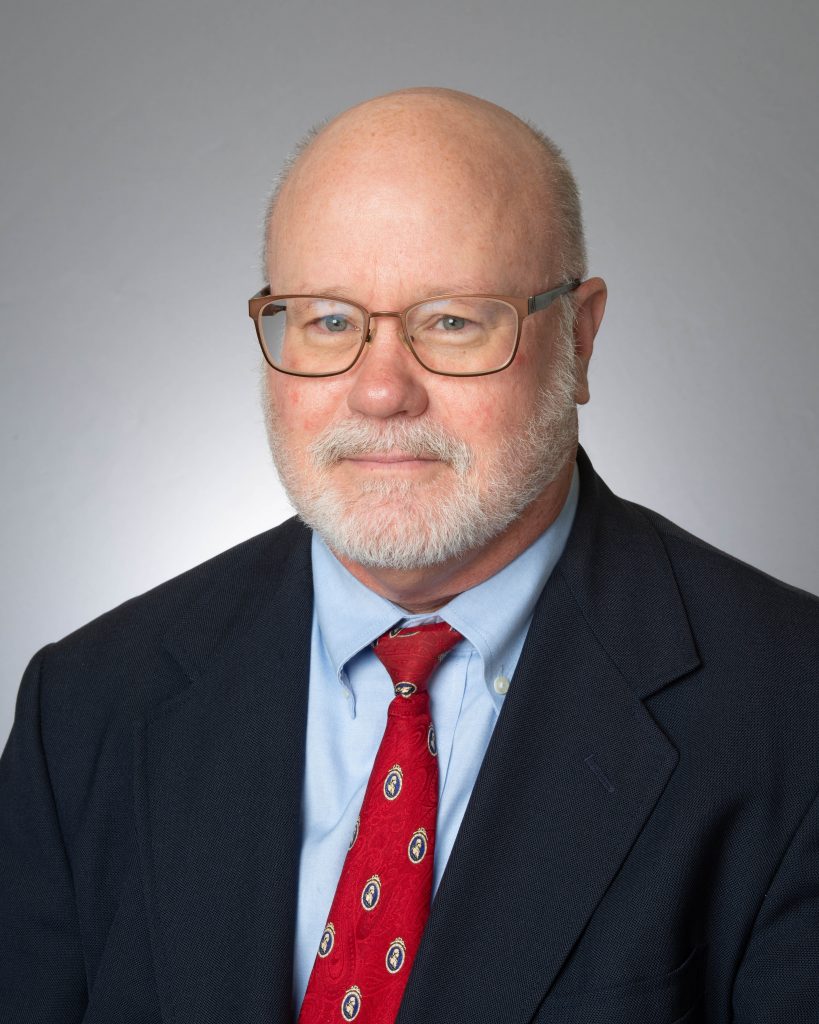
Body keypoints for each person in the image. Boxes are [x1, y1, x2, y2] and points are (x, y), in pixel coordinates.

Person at [1, 87, 817, 1024]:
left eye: (453, 321)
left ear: (580, 338)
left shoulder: (791, 714)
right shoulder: (87, 707)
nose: (381, 391)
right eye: (327, 321)